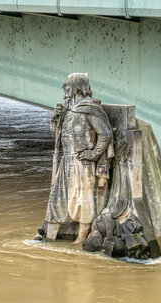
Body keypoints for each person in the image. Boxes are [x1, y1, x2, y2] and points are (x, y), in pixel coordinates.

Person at [44, 73, 114, 244]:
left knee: (84, 200)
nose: (64, 90)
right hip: (66, 161)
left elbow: (105, 134)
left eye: (67, 86)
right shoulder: (67, 109)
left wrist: (93, 154)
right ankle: (49, 235)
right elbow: (59, 137)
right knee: (57, 198)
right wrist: (55, 120)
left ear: (75, 88)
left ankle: (82, 235)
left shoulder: (89, 108)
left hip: (82, 163)